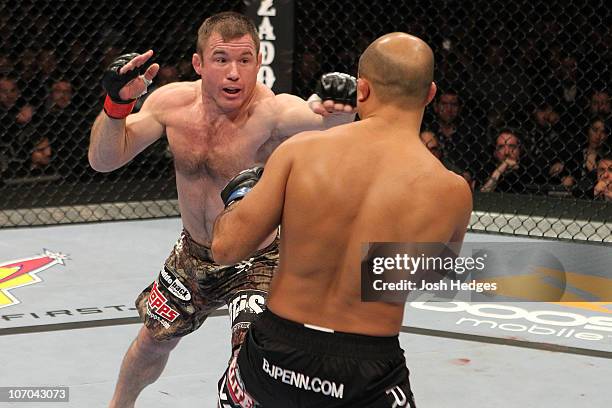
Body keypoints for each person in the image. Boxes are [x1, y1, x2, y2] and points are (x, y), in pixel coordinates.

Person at [88, 12, 356, 408]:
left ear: (259, 62)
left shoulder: (273, 113)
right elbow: (103, 160)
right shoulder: (171, 104)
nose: (234, 73)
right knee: (151, 342)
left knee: (252, 362)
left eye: (245, 60)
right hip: (193, 255)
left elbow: (325, 121)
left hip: (257, 260)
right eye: (221, 60)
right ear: (199, 64)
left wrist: (342, 106)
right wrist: (116, 106)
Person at [212, 32, 472, 407]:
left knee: (238, 386)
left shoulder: (301, 152)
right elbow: (425, 278)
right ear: (430, 94)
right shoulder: (451, 191)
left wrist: (241, 196)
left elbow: (225, 248)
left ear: (361, 89)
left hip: (274, 356)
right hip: (366, 370)